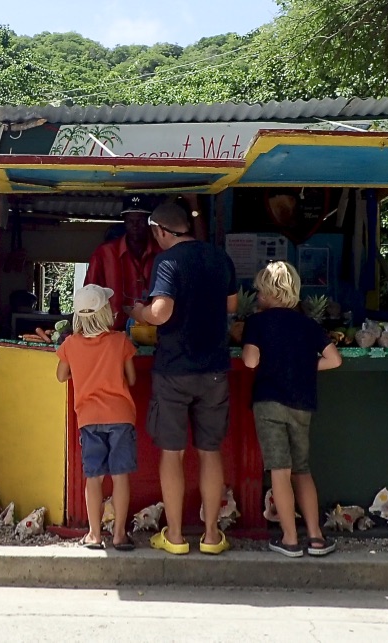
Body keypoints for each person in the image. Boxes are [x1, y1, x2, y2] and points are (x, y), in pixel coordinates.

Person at [127, 202, 237, 556]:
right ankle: (211, 536)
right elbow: (232, 307)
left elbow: (161, 313)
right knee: (210, 452)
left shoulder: (167, 261)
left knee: (172, 455)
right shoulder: (219, 258)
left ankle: (174, 537)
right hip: (214, 369)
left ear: (161, 231)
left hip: (174, 370)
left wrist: (139, 310)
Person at [241, 261, 343, 558]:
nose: (258, 296)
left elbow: (250, 361)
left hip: (269, 402)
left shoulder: (257, 323)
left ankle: (289, 539)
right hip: (302, 404)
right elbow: (335, 359)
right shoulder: (308, 324)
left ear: (270, 293)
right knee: (301, 469)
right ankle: (316, 537)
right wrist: (304, 367)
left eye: (260, 291)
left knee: (280, 470)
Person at [56, 285, 139, 551]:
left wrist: (81, 370)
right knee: (120, 476)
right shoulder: (120, 341)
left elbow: (61, 375)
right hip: (121, 417)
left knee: (94, 477)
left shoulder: (70, 344)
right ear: (106, 313)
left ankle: (94, 534)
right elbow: (132, 378)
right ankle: (119, 535)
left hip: (89, 418)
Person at [84, 198, 163, 330]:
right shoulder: (104, 253)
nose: (135, 225)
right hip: (112, 331)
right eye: (130, 220)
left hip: (154, 331)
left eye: (140, 220)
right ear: (124, 221)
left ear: (148, 222)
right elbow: (88, 294)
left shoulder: (161, 252)